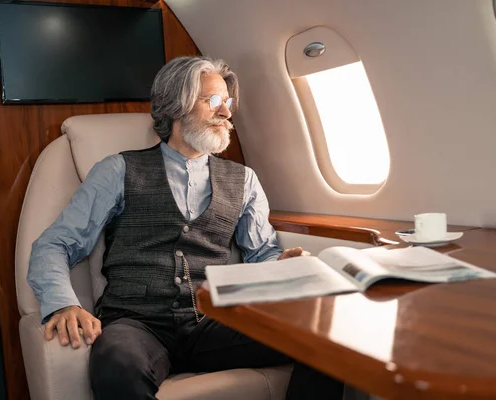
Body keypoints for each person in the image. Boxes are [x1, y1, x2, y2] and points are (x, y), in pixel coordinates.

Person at [27, 56, 344, 399]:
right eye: (214, 101)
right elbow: (54, 244)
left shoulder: (244, 180)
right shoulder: (117, 170)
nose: (226, 113)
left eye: (229, 102)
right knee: (116, 363)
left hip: (218, 320)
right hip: (137, 323)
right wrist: (63, 304)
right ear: (176, 105)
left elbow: (261, 254)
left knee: (324, 340)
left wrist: (280, 268)